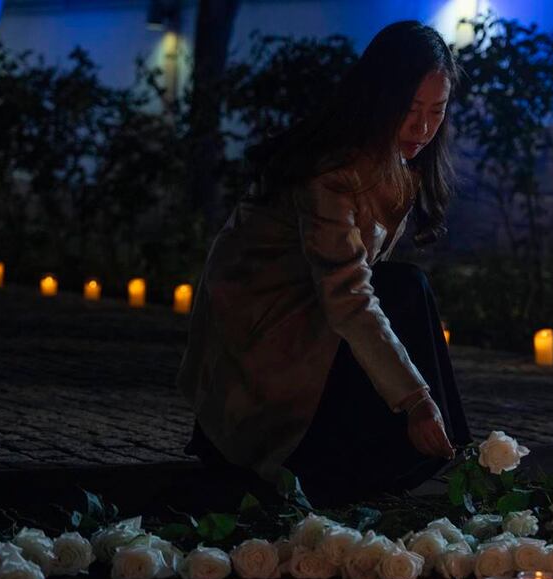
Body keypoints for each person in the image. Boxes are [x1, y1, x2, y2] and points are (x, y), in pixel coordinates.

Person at [176, 20, 471, 506]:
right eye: (410, 109)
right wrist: (417, 401)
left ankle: (442, 443)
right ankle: (390, 445)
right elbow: (350, 297)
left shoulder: (394, 162)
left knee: (400, 290)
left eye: (436, 111)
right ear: (379, 98)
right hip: (265, 348)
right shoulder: (330, 170)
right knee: (402, 289)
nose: (422, 127)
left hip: (313, 323)